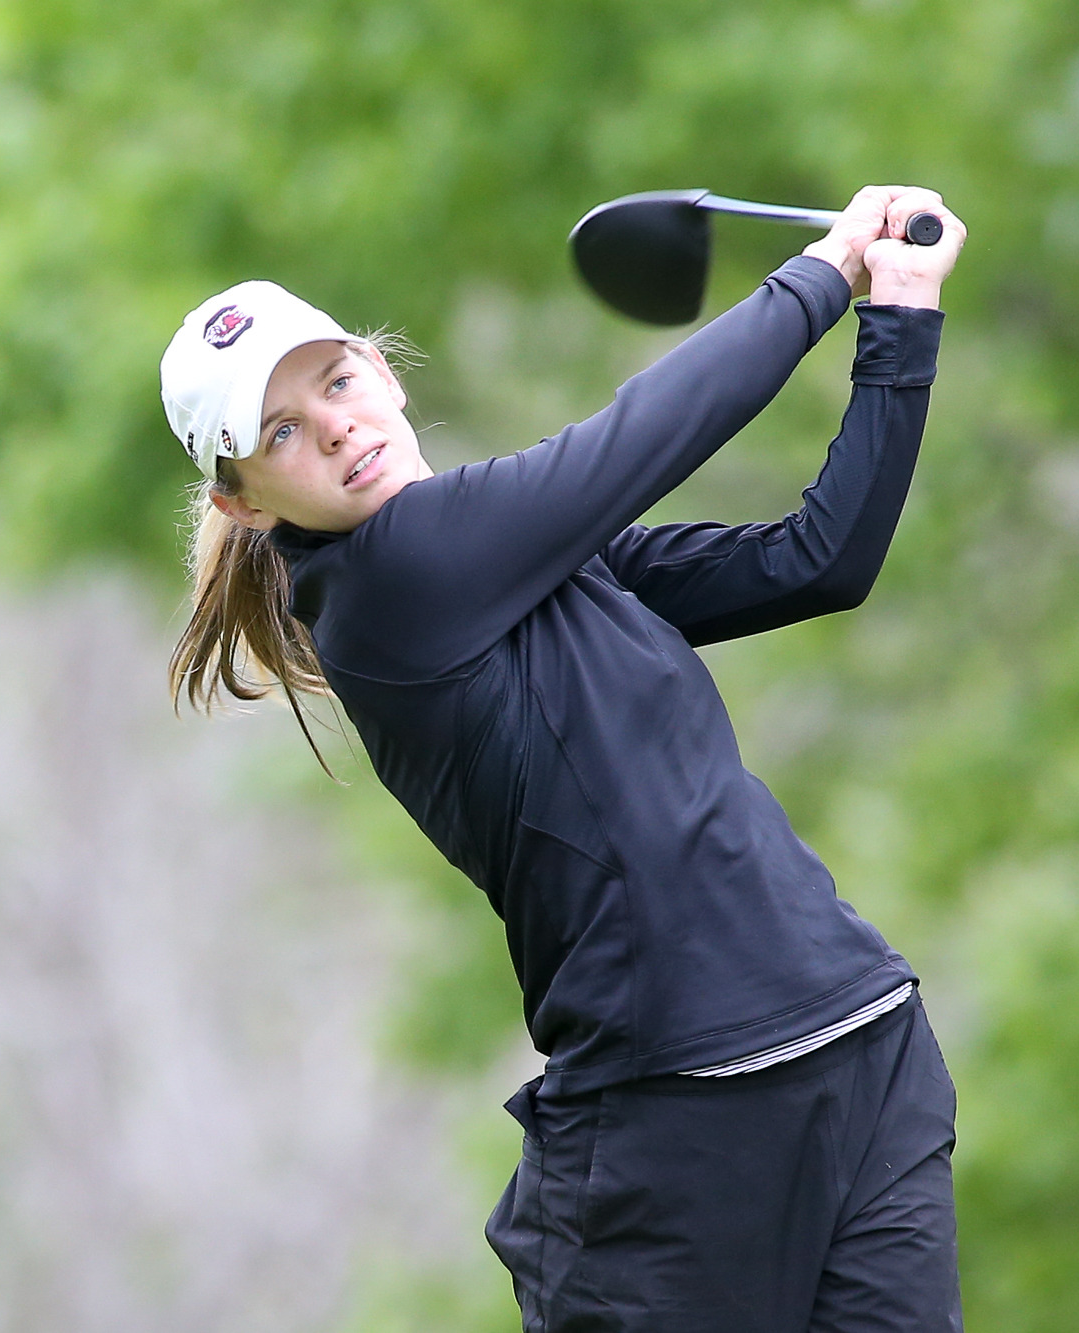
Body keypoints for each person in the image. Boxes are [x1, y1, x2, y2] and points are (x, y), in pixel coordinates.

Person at [161, 185, 966, 1333]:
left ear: (383, 377)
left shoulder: (545, 564)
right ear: (243, 502)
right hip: (673, 1133)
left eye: (334, 383)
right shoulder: (386, 590)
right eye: (281, 431)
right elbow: (634, 443)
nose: (333, 425)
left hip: (859, 1047)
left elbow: (816, 560)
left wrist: (901, 317)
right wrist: (829, 269)